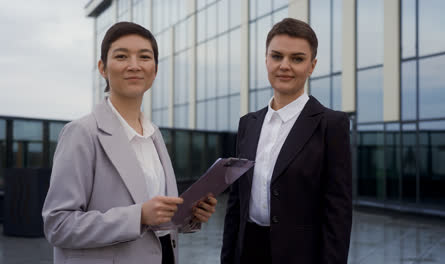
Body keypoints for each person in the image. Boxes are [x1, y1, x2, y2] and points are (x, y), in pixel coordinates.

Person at [42, 22, 217, 264]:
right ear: (102, 68)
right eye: (122, 56)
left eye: (144, 57)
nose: (134, 65)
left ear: (154, 70)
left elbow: (159, 220)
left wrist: (189, 216)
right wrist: (138, 216)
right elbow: (58, 225)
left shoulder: (154, 134)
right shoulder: (82, 133)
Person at [221, 18, 352, 264]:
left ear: (312, 66)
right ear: (266, 60)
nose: (285, 65)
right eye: (277, 56)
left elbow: (338, 212)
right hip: (247, 251)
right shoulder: (248, 123)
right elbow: (236, 205)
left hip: (301, 256)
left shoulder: (331, 125)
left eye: (297, 58)